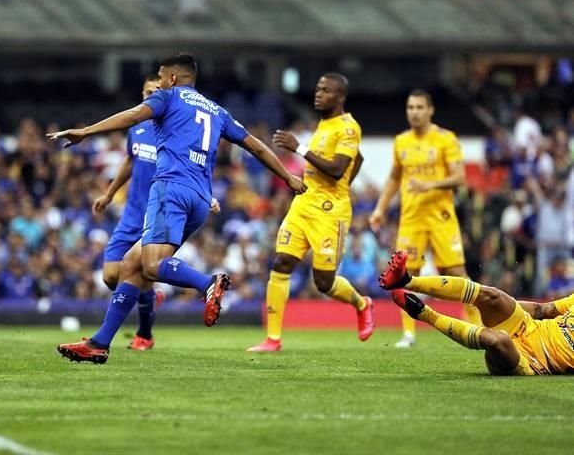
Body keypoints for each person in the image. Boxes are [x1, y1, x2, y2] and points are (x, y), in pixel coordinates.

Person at [48, 53, 306, 363]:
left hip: (170, 188)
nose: (157, 82)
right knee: (133, 265)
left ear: (171, 78)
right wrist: (288, 176)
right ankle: (100, 342)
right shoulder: (217, 111)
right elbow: (254, 145)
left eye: (160, 76)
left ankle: (207, 284)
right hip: (200, 199)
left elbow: (132, 116)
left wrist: (86, 132)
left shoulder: (167, 97)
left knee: (154, 265)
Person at [91, 74, 220, 351]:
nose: (151, 96)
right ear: (141, 94)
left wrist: (206, 195)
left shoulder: (176, 129)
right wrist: (110, 193)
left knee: (141, 269)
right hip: (131, 214)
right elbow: (129, 160)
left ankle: (143, 335)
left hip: (160, 211)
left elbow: (196, 164)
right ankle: (148, 298)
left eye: (155, 91)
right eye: (147, 92)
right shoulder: (136, 129)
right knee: (111, 276)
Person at [247, 73, 374, 353]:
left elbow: (339, 168)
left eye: (326, 90)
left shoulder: (349, 127)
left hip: (330, 214)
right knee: (281, 262)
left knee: (323, 282)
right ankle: (273, 339)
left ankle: (362, 303)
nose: (318, 94)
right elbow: (359, 159)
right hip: (303, 204)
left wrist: (299, 148)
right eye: (317, 89)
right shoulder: (323, 125)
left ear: (340, 97)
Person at [369, 89, 479, 348]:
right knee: (405, 274)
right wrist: (380, 209)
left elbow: (460, 177)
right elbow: (395, 177)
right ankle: (408, 334)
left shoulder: (445, 139)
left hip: (441, 217)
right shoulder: (401, 142)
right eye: (410, 108)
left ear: (430, 110)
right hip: (411, 218)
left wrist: (429, 185)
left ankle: (477, 328)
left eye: (419, 107)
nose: (414, 112)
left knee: (457, 273)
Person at [380, 249, 574, 376]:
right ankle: (405, 280)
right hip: (529, 327)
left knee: (498, 340)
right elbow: (543, 309)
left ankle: (425, 314)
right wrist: (494, 307)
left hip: (532, 362)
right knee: (493, 296)